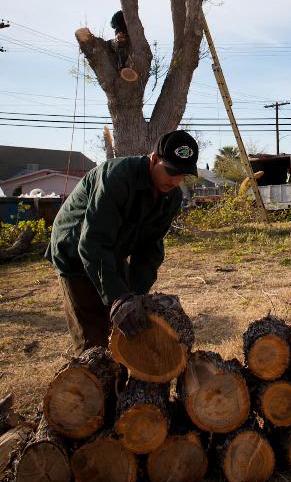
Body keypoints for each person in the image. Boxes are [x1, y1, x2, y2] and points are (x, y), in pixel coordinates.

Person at [46, 130, 198, 355]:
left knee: (127, 326)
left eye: (183, 175)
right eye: (171, 171)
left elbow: (150, 248)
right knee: (95, 341)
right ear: (154, 159)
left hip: (111, 250)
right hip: (74, 252)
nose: (175, 181)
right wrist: (119, 297)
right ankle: (91, 382)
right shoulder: (117, 177)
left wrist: (134, 295)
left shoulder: (171, 197)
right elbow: (92, 244)